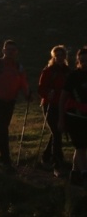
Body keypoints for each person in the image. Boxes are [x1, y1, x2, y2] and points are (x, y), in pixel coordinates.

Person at [0, 39, 30, 170]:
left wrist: (27, 95)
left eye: (13, 50)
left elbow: (23, 83)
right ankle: (6, 161)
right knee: (2, 129)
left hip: (10, 102)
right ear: (3, 50)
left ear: (16, 52)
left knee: (0, 129)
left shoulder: (18, 67)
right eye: (8, 49)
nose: (10, 52)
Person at [38, 45, 69, 175]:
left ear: (65, 56)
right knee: (56, 132)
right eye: (57, 56)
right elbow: (41, 88)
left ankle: (46, 157)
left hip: (63, 106)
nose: (60, 58)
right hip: (50, 104)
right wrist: (47, 94)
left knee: (56, 132)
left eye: (62, 55)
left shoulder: (68, 71)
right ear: (53, 57)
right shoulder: (48, 71)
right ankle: (58, 163)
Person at [59, 46, 87, 185]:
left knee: (82, 146)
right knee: (80, 146)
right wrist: (61, 119)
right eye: (82, 60)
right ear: (78, 61)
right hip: (74, 116)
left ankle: (75, 173)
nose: (84, 63)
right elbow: (63, 98)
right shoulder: (73, 76)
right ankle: (84, 174)